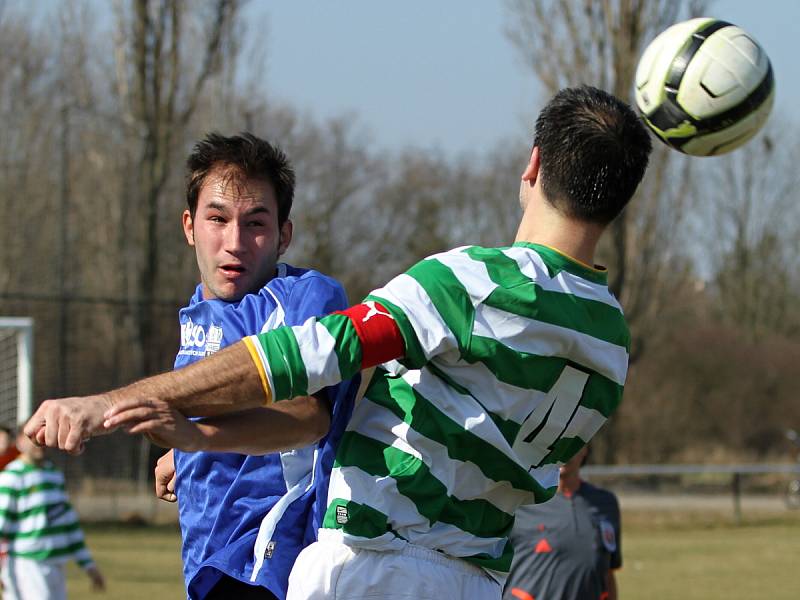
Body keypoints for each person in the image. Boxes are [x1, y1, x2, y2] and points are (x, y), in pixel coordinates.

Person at [24, 85, 652, 599]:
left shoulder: (471, 282)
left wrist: (112, 404)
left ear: (533, 164)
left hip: (376, 567)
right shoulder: (609, 345)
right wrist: (202, 451)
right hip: (481, 578)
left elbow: (307, 359)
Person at [146, 132, 357, 599]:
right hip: (207, 555)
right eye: (217, 219)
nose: (234, 242)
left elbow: (309, 417)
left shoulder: (307, 296)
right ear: (189, 226)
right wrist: (185, 455)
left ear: (284, 235)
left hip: (271, 555)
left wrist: (198, 438)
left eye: (255, 223)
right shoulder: (200, 309)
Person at [504, 446, 621, 600]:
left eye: (574, 441)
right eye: (560, 440)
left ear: (585, 448)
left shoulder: (606, 503)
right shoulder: (516, 502)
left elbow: (608, 573)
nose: (564, 450)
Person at [0, 431, 105, 599]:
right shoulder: (11, 477)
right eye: (34, 439)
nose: (40, 443)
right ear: (20, 442)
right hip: (27, 564)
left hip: (57, 562)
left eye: (44, 438)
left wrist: (88, 564)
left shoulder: (54, 475)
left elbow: (68, 522)